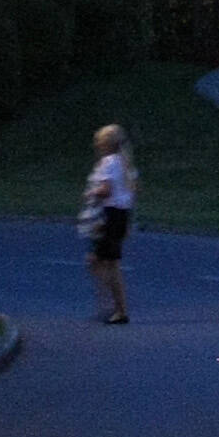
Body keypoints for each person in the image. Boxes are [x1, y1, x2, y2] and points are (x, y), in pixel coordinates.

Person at [79, 125, 138, 325]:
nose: (97, 145)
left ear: (106, 143)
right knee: (101, 260)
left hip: (108, 216)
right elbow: (132, 192)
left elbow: (105, 190)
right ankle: (112, 305)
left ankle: (117, 308)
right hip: (121, 215)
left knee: (106, 263)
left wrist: (90, 193)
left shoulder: (109, 162)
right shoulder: (126, 163)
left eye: (99, 141)